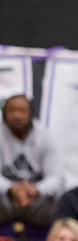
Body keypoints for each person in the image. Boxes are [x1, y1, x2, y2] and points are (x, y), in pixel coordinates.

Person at [0, 94, 63, 232]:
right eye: (12, 111)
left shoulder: (46, 137)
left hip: (37, 202)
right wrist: (12, 189)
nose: (17, 115)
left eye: (22, 111)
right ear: (4, 114)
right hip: (5, 200)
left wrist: (36, 190)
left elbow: (55, 178)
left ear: (31, 114)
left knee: (62, 196)